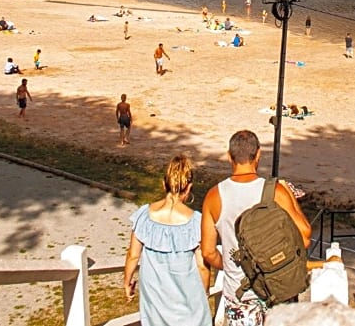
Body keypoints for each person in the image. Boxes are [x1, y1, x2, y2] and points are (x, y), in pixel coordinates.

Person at [201, 130, 312, 326]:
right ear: (258, 155)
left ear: (229, 156)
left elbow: (208, 252)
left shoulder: (213, 196)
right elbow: (304, 237)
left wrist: (230, 265)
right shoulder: (275, 191)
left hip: (239, 296)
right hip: (278, 291)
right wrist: (290, 196)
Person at [124, 155, 211, 326]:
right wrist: (205, 292)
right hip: (187, 302)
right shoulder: (195, 222)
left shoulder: (144, 216)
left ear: (164, 184)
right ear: (189, 188)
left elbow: (133, 255)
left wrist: (127, 281)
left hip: (155, 301)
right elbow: (202, 265)